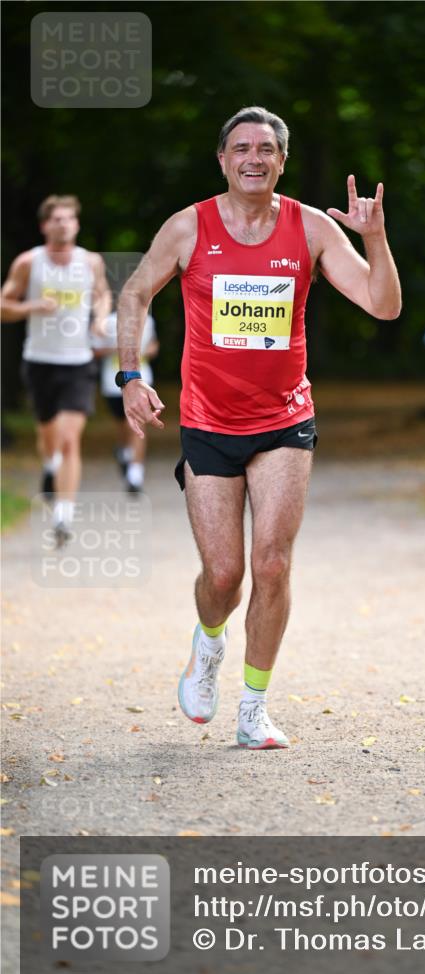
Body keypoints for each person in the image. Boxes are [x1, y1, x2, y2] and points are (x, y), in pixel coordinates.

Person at [116, 106, 401, 749]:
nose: (253, 157)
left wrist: (375, 238)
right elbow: (135, 293)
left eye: (266, 148)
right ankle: (209, 643)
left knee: (271, 565)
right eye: (241, 147)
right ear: (222, 159)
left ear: (281, 160)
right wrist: (131, 376)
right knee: (223, 576)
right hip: (209, 422)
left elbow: (383, 305)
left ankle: (253, 706)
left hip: (284, 421)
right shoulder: (189, 226)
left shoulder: (311, 229)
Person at [0, 195, 111, 544]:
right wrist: (32, 305)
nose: (63, 224)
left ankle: (63, 517)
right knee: (48, 437)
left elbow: (103, 294)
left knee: (68, 438)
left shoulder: (90, 262)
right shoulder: (28, 263)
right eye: (56, 219)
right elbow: (4, 305)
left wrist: (101, 318)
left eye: (68, 218)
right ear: (44, 225)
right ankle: (49, 467)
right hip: (39, 361)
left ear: (76, 224)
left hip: (77, 362)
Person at [94, 310, 159, 493]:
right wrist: (119, 350)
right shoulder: (108, 321)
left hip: (141, 380)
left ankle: (135, 474)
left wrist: (146, 351)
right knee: (123, 425)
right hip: (113, 382)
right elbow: (96, 350)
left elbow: (154, 345)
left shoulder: (148, 320)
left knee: (138, 424)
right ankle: (124, 453)